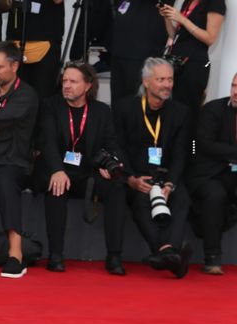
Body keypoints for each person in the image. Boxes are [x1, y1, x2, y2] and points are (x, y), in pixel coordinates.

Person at [36, 62, 127, 275]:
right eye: (64, 81)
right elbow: (47, 142)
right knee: (57, 188)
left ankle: (114, 256)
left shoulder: (102, 111)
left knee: (116, 188)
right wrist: (56, 169)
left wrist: (111, 164)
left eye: (73, 81)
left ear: (87, 85)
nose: (67, 85)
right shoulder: (50, 106)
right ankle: (56, 255)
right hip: (59, 170)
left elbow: (112, 143)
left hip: (89, 173)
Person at [114, 58, 190, 277]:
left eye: (170, 79)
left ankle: (165, 252)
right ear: (146, 82)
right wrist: (130, 178)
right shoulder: (124, 108)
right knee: (141, 200)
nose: (167, 85)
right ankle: (171, 255)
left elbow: (182, 152)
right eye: (161, 79)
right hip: (136, 176)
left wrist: (170, 183)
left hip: (166, 176)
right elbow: (117, 147)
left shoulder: (181, 112)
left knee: (182, 198)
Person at [0, 42, 38, 278]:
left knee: (6, 184)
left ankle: (16, 254)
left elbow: (2, 116)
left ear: (14, 66)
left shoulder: (26, 94)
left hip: (14, 163)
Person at [160, 0, 226, 118]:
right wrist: (167, 17)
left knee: (187, 114)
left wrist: (182, 19)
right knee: (171, 112)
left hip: (194, 66)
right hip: (176, 62)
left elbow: (210, 38)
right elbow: (174, 35)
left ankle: (192, 138)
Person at [187, 72, 237, 275]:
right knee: (215, 195)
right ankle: (212, 257)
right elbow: (205, 144)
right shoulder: (213, 109)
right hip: (211, 174)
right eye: (234, 86)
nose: (236, 92)